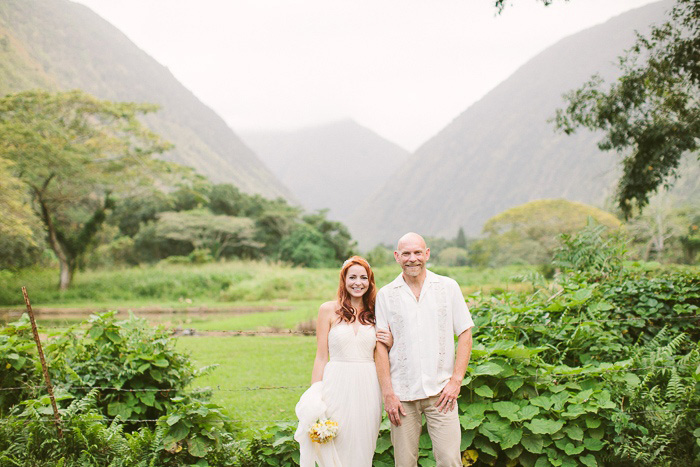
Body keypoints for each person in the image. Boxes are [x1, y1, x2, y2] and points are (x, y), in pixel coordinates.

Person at [375, 232, 474, 467]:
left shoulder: (448, 287)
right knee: (404, 463)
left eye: (417, 252)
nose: (412, 259)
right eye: (406, 253)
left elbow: (465, 333)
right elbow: (380, 347)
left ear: (427, 254)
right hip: (402, 396)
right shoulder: (386, 295)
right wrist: (388, 393)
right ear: (397, 257)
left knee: (450, 461)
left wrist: (456, 381)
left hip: (442, 393)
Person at [295, 256, 393, 466]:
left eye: (363, 278)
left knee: (363, 445)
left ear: (370, 282)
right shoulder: (327, 310)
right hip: (336, 385)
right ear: (344, 280)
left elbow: (384, 353)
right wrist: (315, 394)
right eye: (353, 277)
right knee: (334, 440)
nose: (358, 282)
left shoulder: (377, 313)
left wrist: (391, 341)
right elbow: (321, 356)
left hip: (368, 385)